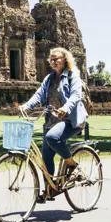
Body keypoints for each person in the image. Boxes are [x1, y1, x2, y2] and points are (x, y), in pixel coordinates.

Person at [19, 47, 88, 186]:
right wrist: (26, 106)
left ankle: (73, 166)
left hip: (70, 120)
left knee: (52, 137)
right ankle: (50, 189)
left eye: (56, 58)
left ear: (65, 60)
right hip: (52, 121)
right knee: (46, 158)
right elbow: (39, 95)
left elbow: (76, 95)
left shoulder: (72, 75)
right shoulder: (49, 78)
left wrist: (65, 108)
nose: (53, 61)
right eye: (51, 59)